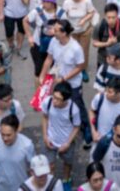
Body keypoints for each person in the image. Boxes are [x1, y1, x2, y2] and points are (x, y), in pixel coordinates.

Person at [39, 18, 92, 149]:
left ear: (64, 33)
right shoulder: (53, 42)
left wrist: (65, 78)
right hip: (58, 80)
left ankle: (87, 133)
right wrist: (42, 75)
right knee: (57, 103)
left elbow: (80, 67)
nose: (53, 32)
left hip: (73, 83)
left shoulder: (76, 48)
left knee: (78, 106)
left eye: (56, 30)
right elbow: (49, 59)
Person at [41, 81, 82, 191]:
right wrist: (45, 136)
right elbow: (44, 117)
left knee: (67, 163)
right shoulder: (47, 102)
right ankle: (51, 184)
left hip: (65, 142)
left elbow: (76, 127)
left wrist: (68, 143)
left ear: (66, 99)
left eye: (58, 99)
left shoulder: (73, 110)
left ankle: (66, 179)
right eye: (54, 97)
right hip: (50, 139)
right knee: (50, 165)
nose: (55, 101)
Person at [0, 115, 35, 191]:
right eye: (2, 134)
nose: (5, 138)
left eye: (8, 135)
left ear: (16, 131)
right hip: (0, 187)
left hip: (21, 188)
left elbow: (33, 168)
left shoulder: (27, 145)